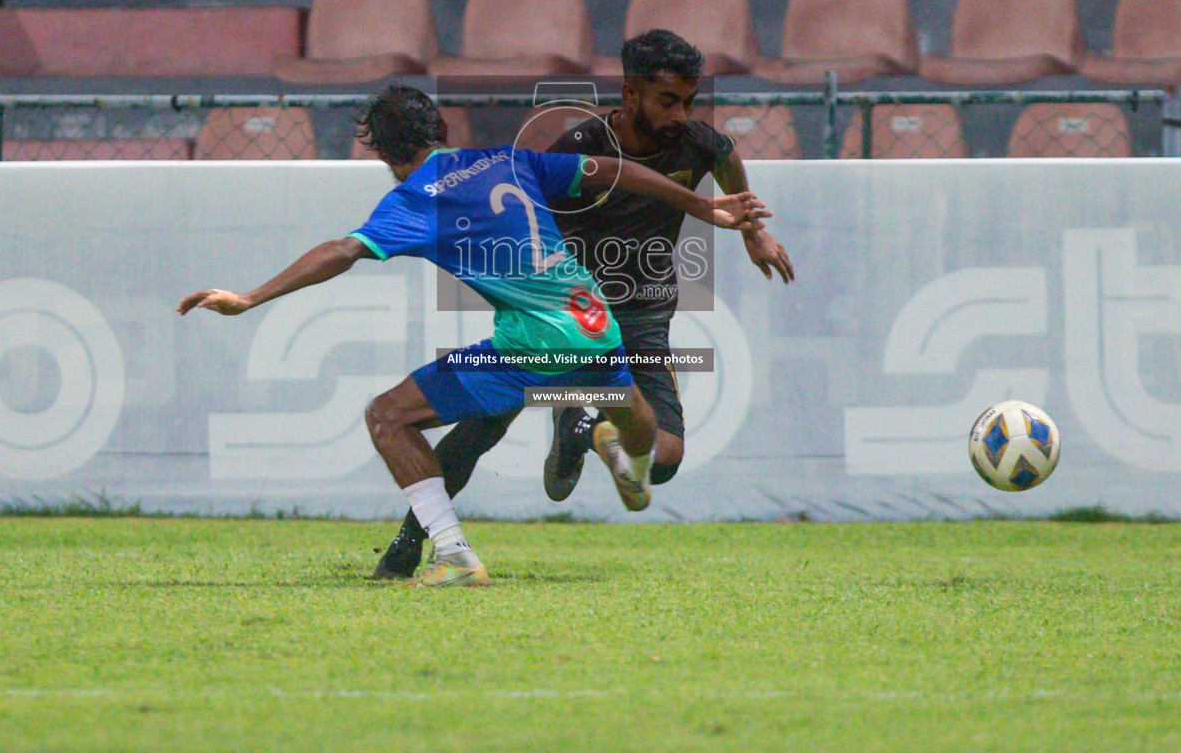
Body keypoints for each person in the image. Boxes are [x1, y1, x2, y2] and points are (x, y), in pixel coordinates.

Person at [178, 83, 770, 587]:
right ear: (438, 128)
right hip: (594, 321)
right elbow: (613, 170)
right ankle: (626, 461)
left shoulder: (413, 201)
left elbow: (342, 250)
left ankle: (453, 554)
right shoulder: (507, 159)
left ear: (377, 148)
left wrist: (251, 297)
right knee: (629, 404)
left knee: (388, 416)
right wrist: (701, 204)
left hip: (534, 346)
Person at [373, 29, 794, 579]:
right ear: (630, 94)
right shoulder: (578, 148)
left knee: (662, 461)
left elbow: (728, 165)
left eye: (689, 101)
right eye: (668, 100)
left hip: (642, 318)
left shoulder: (699, 144)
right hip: (563, 316)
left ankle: (584, 420)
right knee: (480, 427)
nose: (680, 114)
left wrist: (752, 234)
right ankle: (410, 543)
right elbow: (508, 204)